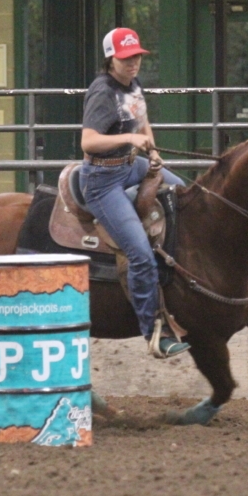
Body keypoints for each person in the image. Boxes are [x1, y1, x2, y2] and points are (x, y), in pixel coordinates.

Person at [79, 27, 189, 359]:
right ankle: (155, 331)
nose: (133, 63)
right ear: (111, 59)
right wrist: (129, 140)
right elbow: (88, 142)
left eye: (137, 56)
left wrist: (152, 151)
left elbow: (142, 122)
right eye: (126, 58)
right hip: (101, 180)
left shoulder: (134, 84)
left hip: (131, 165)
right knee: (140, 253)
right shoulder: (102, 92)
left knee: (186, 194)